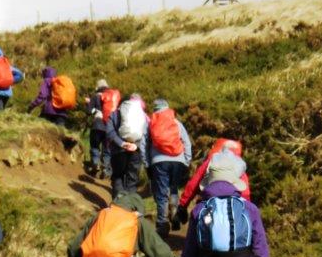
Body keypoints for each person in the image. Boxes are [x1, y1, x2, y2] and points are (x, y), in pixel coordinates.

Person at [176, 138, 250, 226]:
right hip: (233, 207)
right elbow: (245, 193)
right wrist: (246, 209)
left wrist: (183, 205)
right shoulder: (240, 166)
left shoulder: (211, 162)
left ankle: (195, 237)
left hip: (210, 203)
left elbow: (193, 184)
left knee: (197, 216)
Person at [147, 98, 192, 237]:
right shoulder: (176, 123)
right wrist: (186, 160)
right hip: (177, 160)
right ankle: (175, 214)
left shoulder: (151, 124)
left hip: (159, 161)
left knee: (161, 193)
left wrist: (147, 162)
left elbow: (145, 145)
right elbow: (186, 142)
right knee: (173, 188)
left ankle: (162, 224)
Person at [105, 93, 147, 197]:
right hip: (135, 152)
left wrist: (122, 143)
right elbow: (145, 134)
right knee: (132, 179)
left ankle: (118, 204)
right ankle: (129, 208)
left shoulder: (115, 114)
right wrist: (136, 146)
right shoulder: (141, 115)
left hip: (118, 151)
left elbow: (109, 131)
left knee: (118, 176)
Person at [85, 80, 120, 179]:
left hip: (97, 125)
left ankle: (95, 163)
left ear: (98, 87)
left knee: (95, 145)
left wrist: (88, 104)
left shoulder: (95, 96)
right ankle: (105, 168)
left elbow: (89, 111)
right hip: (109, 127)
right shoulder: (112, 98)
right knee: (107, 149)